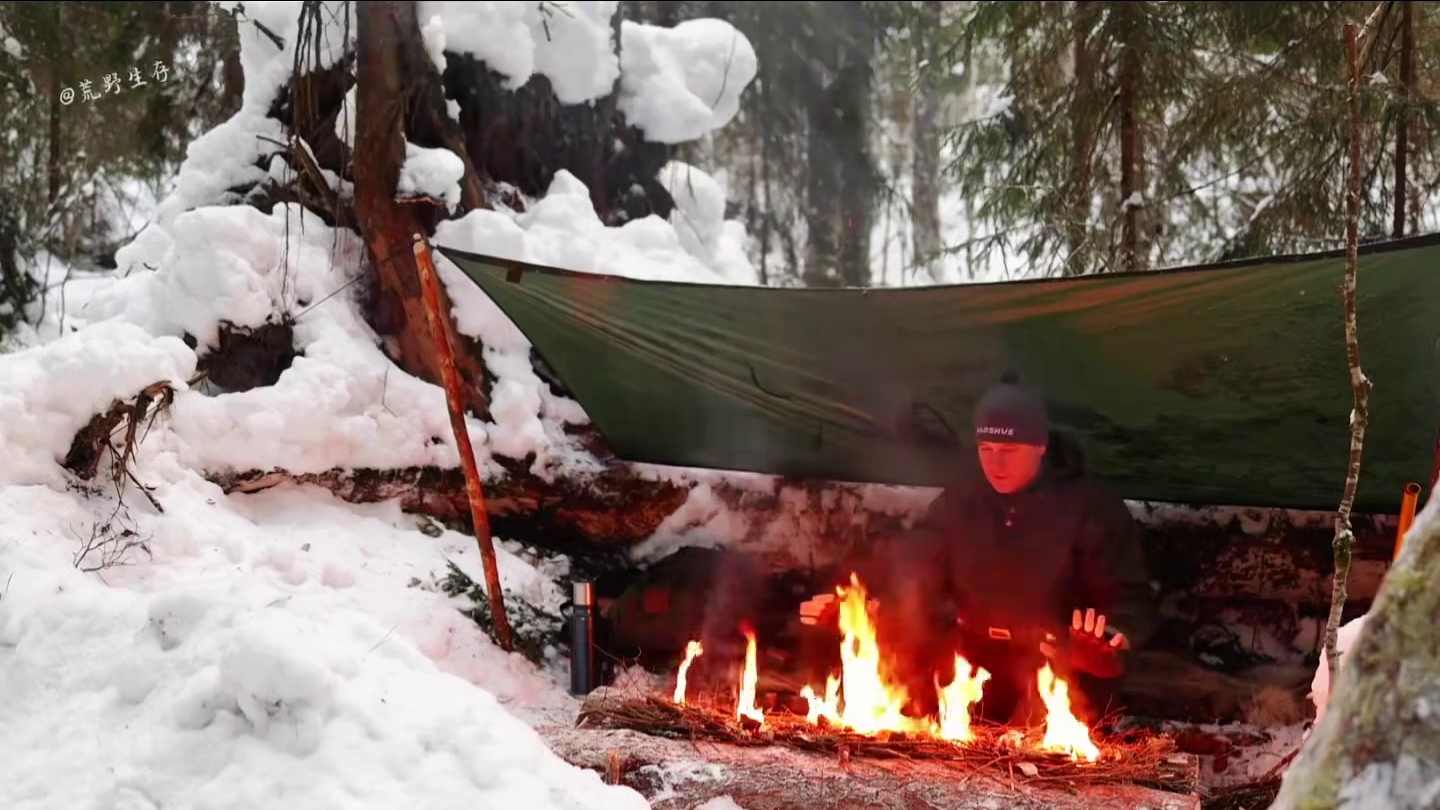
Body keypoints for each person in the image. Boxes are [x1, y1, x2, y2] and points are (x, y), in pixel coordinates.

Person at [798, 371, 1160, 726]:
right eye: (986, 449)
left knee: (1042, 737)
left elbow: (1134, 602)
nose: (996, 464)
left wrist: (1104, 645)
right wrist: (858, 612)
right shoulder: (961, 499)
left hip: (1059, 675)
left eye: (1009, 450)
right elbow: (913, 577)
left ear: (1040, 447)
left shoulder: (1091, 506)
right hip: (970, 671)